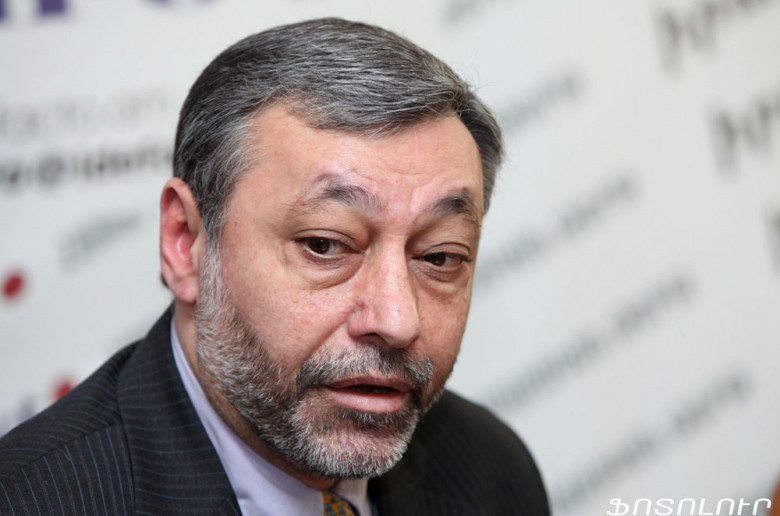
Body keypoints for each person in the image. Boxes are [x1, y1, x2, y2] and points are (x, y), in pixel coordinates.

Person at [0, 18, 549, 515]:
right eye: (325, 245)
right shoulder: (32, 500)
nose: (398, 319)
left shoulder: (488, 469)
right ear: (185, 242)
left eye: (439, 257)